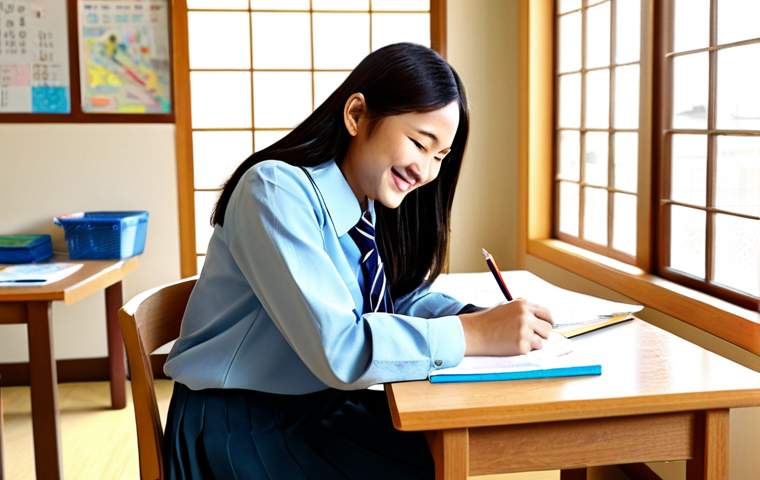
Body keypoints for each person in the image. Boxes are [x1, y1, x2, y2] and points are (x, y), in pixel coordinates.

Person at [162, 42, 554, 480]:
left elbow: (392, 301)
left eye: (440, 157)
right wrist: (472, 333)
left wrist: (476, 317)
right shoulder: (274, 190)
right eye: (420, 143)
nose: (425, 172)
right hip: (238, 425)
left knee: (438, 455)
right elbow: (342, 349)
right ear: (355, 115)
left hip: (317, 408)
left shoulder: (364, 203)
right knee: (427, 462)